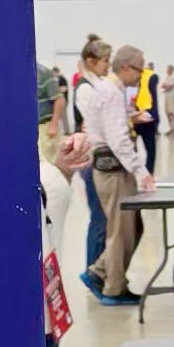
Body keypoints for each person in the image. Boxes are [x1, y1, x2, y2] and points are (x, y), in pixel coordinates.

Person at [81, 44, 156, 305]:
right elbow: (118, 140)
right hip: (113, 170)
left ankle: (100, 272)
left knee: (131, 226)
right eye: (139, 70)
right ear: (126, 67)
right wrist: (141, 171)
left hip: (109, 168)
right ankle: (113, 287)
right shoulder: (111, 93)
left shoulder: (110, 90)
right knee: (121, 230)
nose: (140, 75)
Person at [74, 34, 112, 278]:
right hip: (92, 161)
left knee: (105, 219)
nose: (108, 66)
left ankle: (99, 268)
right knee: (98, 219)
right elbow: (100, 121)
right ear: (91, 61)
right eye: (105, 61)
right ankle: (92, 271)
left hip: (100, 158)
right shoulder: (85, 90)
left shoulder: (97, 84)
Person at [133, 63, 161, 174]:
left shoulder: (150, 76)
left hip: (143, 116)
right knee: (130, 149)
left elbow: (152, 97)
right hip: (136, 116)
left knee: (149, 150)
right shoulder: (151, 75)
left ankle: (147, 175)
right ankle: (144, 174)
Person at [36, 62, 64, 165]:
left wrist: (54, 124)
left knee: (49, 165)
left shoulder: (42, 72)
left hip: (45, 128)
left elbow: (59, 99)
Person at [52, 65, 72, 135]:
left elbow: (64, 89)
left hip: (63, 100)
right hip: (61, 100)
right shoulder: (57, 79)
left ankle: (67, 131)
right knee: (60, 117)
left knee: (64, 116)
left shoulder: (61, 79)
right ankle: (62, 131)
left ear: (56, 72)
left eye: (53, 72)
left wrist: (56, 90)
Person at [160, 64, 174, 131]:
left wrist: (166, 86)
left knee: (171, 112)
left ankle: (173, 127)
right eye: (167, 69)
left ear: (172, 70)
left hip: (171, 97)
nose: (168, 70)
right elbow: (162, 86)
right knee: (166, 112)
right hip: (165, 97)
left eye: (169, 69)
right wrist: (166, 86)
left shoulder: (173, 78)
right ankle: (170, 127)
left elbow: (170, 87)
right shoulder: (164, 78)